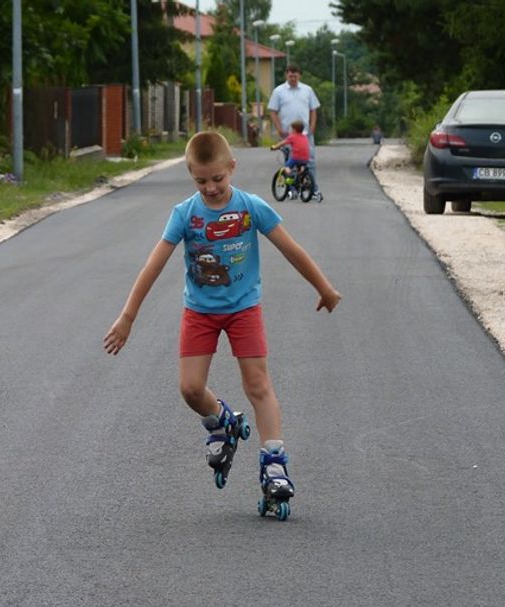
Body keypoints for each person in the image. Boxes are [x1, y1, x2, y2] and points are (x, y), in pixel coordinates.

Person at [103, 131, 341, 507]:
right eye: (201, 181)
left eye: (217, 178)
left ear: (232, 168)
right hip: (199, 312)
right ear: (190, 175)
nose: (211, 188)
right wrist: (127, 317)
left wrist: (323, 288)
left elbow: (290, 248)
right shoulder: (184, 214)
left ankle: (275, 462)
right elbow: (154, 264)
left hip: (244, 309)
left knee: (258, 383)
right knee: (191, 389)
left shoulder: (251, 207)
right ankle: (222, 421)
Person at [268, 63, 322, 200]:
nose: (293, 78)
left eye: (295, 75)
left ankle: (312, 189)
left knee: (309, 160)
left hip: (305, 134)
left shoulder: (307, 90)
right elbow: (273, 111)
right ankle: (292, 189)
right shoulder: (279, 91)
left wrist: (313, 125)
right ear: (286, 75)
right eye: (290, 75)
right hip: (289, 134)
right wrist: (279, 128)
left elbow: (313, 109)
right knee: (290, 161)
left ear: (299, 75)